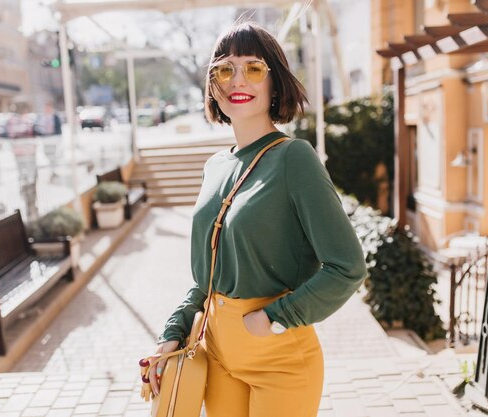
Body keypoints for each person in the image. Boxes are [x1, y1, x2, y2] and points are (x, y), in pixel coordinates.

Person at [148, 22, 367, 417]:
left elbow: (347, 267)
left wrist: (274, 318)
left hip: (278, 357)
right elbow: (208, 274)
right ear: (212, 84)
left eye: (253, 68)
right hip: (216, 351)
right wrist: (173, 330)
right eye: (224, 69)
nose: (237, 80)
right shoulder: (215, 166)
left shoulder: (294, 158)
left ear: (275, 82)